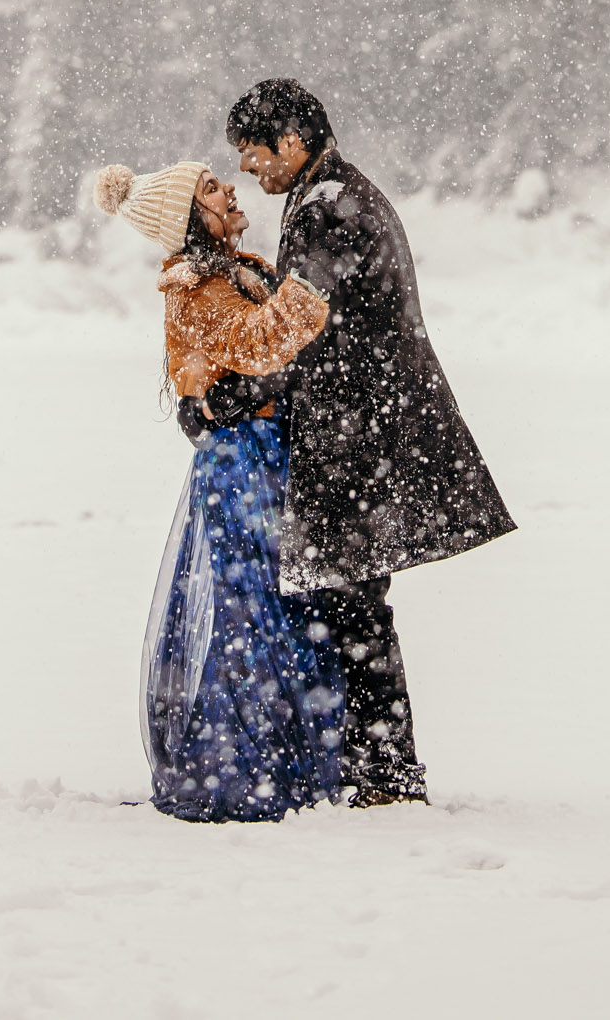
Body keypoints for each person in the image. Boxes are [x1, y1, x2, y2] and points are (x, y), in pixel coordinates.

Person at [186, 79, 515, 808]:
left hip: (361, 431)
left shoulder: (328, 207)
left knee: (355, 607)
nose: (247, 171)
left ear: (292, 141)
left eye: (252, 153)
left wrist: (231, 394)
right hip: (361, 423)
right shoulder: (329, 194)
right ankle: (373, 768)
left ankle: (385, 777)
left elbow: (298, 328)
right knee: (351, 601)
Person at [94, 155, 344, 822]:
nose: (227, 188)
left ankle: (268, 760)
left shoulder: (231, 271)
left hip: (259, 453)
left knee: (269, 607)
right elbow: (259, 343)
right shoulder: (196, 288)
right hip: (242, 463)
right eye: (209, 187)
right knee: (250, 611)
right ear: (187, 218)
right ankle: (243, 767)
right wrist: (310, 283)